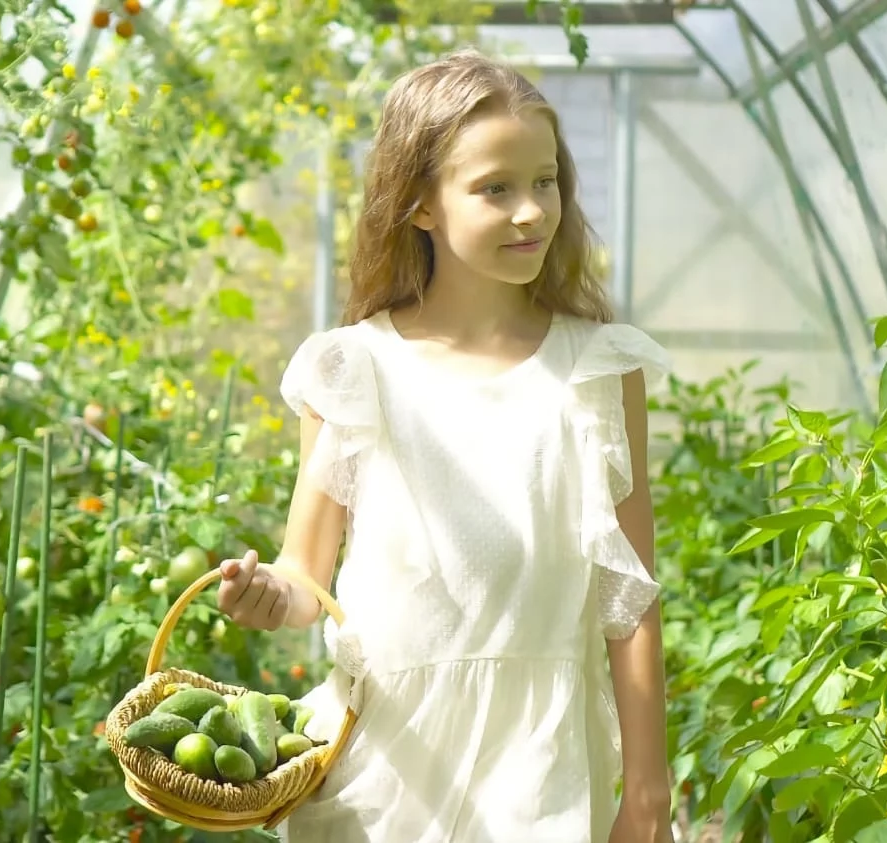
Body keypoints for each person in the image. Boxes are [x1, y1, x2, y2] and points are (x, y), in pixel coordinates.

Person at [217, 47, 675, 843]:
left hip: (541, 768)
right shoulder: (354, 366)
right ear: (420, 203)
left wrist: (647, 792)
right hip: (382, 769)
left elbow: (629, 600)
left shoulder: (598, 367)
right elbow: (304, 574)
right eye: (495, 188)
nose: (532, 210)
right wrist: (267, 596)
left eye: (544, 181)